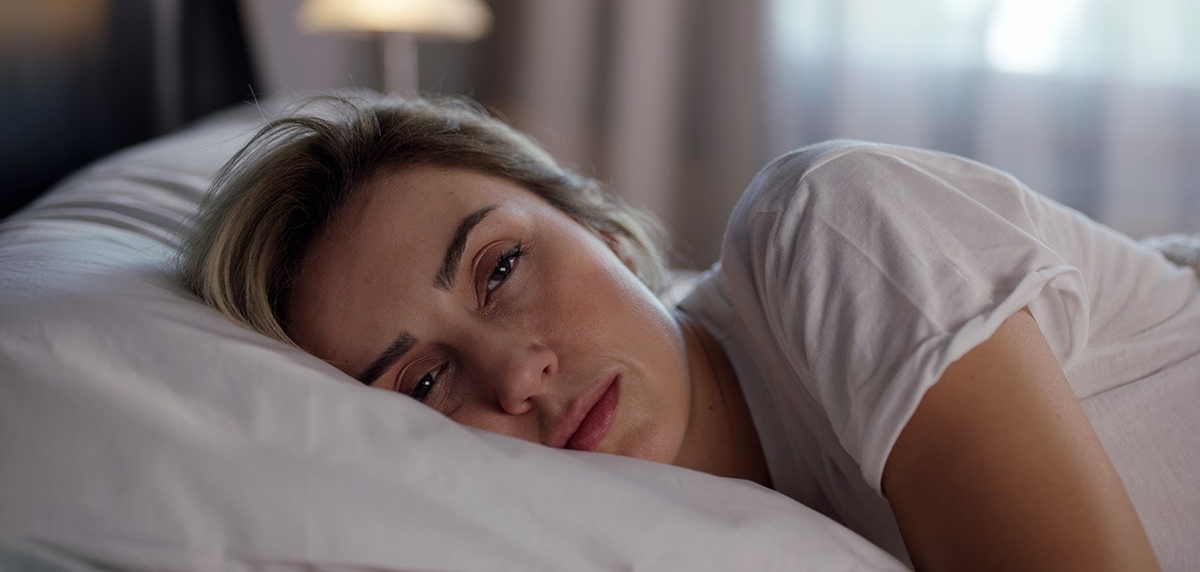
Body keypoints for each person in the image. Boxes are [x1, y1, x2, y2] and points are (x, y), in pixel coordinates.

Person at [182, 93, 1198, 571]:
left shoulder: (827, 222)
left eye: (500, 267)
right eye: (420, 385)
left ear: (601, 226)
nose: (518, 373)